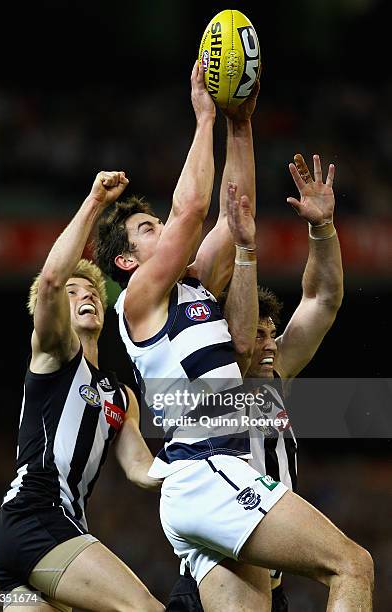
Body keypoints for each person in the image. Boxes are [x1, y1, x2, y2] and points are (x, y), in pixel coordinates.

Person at [94, 62, 373, 611]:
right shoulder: (140, 298)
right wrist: (204, 118)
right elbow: (193, 208)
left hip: (214, 480)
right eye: (149, 229)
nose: (165, 230)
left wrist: (240, 126)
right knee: (352, 564)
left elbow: (233, 210)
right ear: (126, 260)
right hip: (206, 465)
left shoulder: (196, 285)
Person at [167, 153, 344, 611]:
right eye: (257, 333)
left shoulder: (274, 377)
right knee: (350, 565)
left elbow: (322, 299)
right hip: (218, 577)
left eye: (274, 334)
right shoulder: (207, 389)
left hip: (272, 585)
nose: (269, 345)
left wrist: (322, 229)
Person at [0, 171, 165, 612]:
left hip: (44, 537)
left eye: (91, 289)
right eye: (73, 291)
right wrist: (93, 202)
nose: (85, 294)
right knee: (145, 609)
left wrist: (200, 461)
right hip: (36, 517)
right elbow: (50, 280)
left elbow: (142, 470)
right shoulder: (53, 354)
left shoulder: (120, 395)